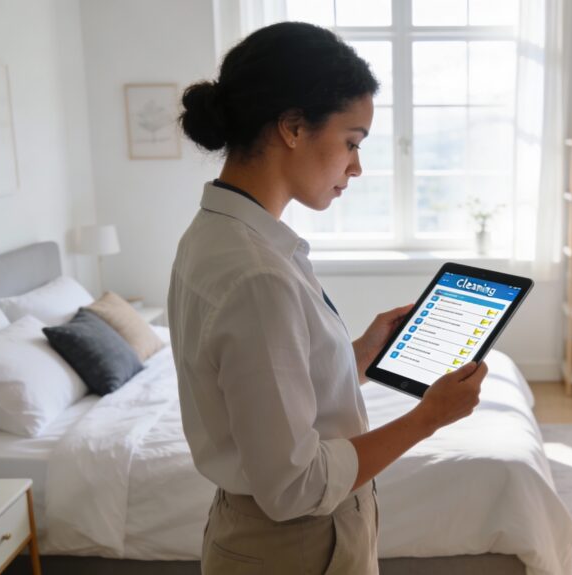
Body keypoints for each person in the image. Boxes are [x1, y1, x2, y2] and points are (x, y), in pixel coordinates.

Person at [168, 21, 488, 575]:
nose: (356, 166)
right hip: (297, 547)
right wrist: (427, 418)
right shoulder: (257, 275)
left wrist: (358, 354)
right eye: (352, 142)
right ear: (293, 127)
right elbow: (295, 486)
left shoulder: (220, 235)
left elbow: (274, 388)